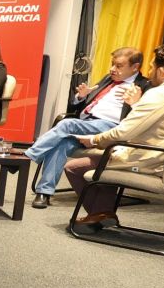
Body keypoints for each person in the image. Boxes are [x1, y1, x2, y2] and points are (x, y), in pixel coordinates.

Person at [64, 42, 164, 228]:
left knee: (75, 167)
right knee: (107, 157)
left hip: (153, 160)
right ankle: (103, 214)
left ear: (162, 71)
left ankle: (99, 214)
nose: (149, 71)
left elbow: (124, 131)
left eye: (151, 67)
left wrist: (94, 140)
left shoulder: (160, 94)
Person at [26, 46, 149, 209]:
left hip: (111, 129)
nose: (112, 69)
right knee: (61, 143)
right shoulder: (108, 79)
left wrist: (136, 103)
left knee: (67, 123)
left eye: (118, 66)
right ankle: (44, 192)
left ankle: (28, 156)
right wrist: (80, 97)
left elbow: (145, 118)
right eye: (112, 64)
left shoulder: (145, 86)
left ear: (135, 67)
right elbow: (76, 106)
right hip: (87, 125)